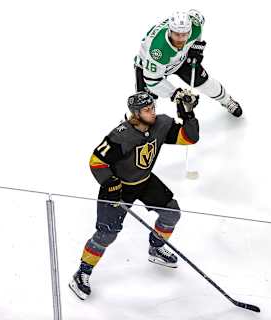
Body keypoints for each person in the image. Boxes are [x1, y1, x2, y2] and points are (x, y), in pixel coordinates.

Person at [69, 90, 200, 300]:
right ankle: (82, 272)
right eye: (147, 110)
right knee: (107, 234)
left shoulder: (161, 125)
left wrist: (188, 113)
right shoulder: (121, 135)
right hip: (119, 188)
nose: (153, 113)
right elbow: (96, 161)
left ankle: (156, 248)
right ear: (135, 113)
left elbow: (189, 138)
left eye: (153, 108)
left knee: (171, 213)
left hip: (145, 181)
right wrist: (110, 182)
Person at [134, 9, 243, 117]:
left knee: (205, 82)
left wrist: (196, 47)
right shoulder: (158, 50)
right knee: (144, 102)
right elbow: (152, 81)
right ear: (170, 30)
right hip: (149, 67)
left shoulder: (195, 26)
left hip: (181, 60)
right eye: (177, 34)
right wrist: (176, 93)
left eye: (184, 34)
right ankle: (142, 125)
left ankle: (227, 100)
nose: (180, 39)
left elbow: (197, 24)